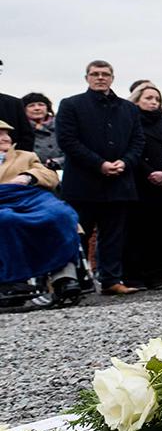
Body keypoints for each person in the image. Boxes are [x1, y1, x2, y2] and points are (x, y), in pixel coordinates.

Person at [56, 61, 144, 294]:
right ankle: (77, 281)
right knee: (78, 234)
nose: (100, 78)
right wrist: (99, 164)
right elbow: (67, 141)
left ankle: (111, 280)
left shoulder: (129, 109)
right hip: (83, 183)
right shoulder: (71, 105)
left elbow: (138, 141)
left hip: (119, 182)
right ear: (87, 78)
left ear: (112, 78)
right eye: (95, 74)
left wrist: (125, 162)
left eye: (105, 74)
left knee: (113, 236)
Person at [0, 121, 84, 311]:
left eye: (6, 134)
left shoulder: (26, 156)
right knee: (6, 220)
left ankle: (64, 277)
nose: (5, 138)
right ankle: (12, 279)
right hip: (3, 202)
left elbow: (49, 176)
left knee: (60, 215)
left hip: (30, 198)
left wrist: (28, 176)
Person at [126, 84, 162, 289]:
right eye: (148, 98)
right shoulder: (131, 123)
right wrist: (148, 171)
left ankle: (158, 275)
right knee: (138, 233)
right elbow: (133, 150)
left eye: (156, 99)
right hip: (140, 183)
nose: (153, 102)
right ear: (137, 99)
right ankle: (135, 276)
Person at [20, 94, 62, 170]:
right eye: (31, 105)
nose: (37, 108)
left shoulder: (61, 126)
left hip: (60, 170)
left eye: (41, 104)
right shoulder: (21, 130)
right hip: (31, 171)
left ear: (48, 108)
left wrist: (56, 162)